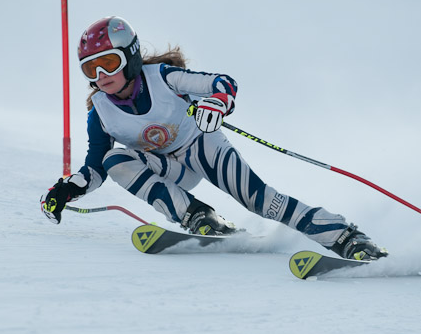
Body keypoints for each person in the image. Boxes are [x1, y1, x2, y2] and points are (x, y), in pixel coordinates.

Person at [40, 16, 388, 261]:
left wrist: (218, 102)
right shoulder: (100, 112)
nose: (101, 76)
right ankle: (198, 217)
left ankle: (345, 237)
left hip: (203, 147)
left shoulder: (162, 77)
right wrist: (68, 189)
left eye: (109, 62)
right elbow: (95, 166)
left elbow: (222, 83)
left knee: (262, 203)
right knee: (114, 160)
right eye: (90, 69)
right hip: (170, 169)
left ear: (130, 56)